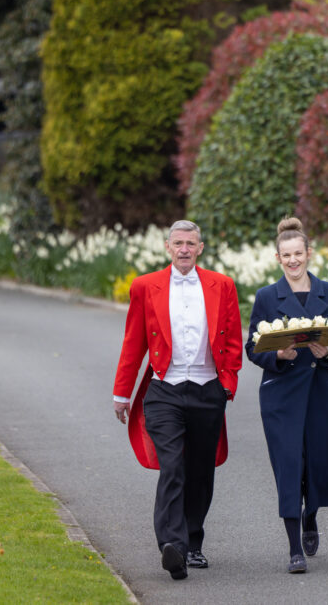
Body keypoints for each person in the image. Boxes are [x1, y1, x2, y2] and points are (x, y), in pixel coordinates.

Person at [113, 220, 243, 580]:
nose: (184, 249)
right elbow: (133, 342)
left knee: (200, 470)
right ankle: (172, 545)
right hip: (164, 390)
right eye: (178, 243)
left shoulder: (223, 286)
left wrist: (226, 386)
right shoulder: (145, 287)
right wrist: (122, 393)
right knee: (172, 465)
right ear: (168, 247)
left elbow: (233, 341)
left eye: (191, 243)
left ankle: (194, 542)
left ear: (200, 248)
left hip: (207, 389)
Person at [245, 217, 328, 574]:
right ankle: (294, 549)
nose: (293, 260)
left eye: (298, 254)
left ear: (309, 253)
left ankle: (312, 516)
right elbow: (252, 347)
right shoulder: (266, 297)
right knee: (289, 467)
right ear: (278, 258)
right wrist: (276, 355)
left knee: (318, 462)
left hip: (321, 391)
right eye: (286, 255)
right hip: (281, 396)